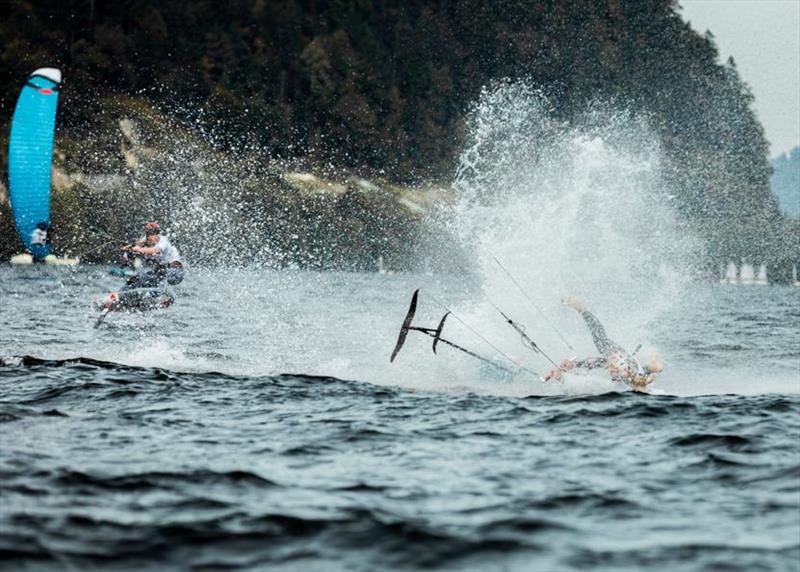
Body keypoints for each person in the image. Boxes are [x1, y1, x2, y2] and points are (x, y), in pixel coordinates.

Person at [546, 296, 663, 392]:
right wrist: (571, 365)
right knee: (601, 341)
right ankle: (581, 308)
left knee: (606, 352)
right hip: (630, 368)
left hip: (633, 373)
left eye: (613, 368)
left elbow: (589, 379)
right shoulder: (623, 370)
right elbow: (595, 363)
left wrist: (562, 376)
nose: (611, 370)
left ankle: (654, 367)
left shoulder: (624, 379)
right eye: (612, 367)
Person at [119, 221, 184, 291]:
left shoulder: (163, 241)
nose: (149, 237)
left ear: (156, 234)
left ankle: (161, 295)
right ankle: (119, 294)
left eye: (151, 234)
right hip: (159, 273)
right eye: (147, 234)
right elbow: (135, 245)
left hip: (175, 272)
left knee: (163, 276)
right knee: (134, 280)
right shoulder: (145, 240)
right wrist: (127, 251)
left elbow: (154, 251)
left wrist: (140, 250)